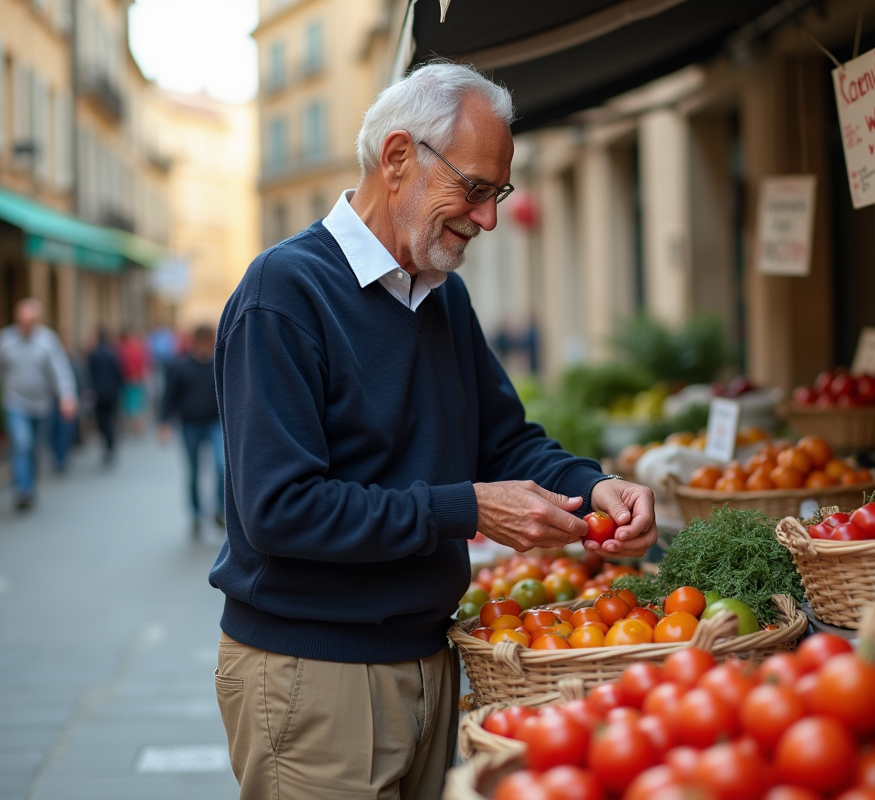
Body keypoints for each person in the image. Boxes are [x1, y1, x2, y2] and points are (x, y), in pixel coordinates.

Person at [211, 62, 658, 800]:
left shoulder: (440, 297)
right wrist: (471, 508)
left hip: (431, 662)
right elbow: (280, 510)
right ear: (396, 160)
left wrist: (593, 484)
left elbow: (505, 440)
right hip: (314, 678)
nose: (487, 218)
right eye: (475, 189)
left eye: (497, 194)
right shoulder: (283, 293)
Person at [0, 299, 77, 510]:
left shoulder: (48, 340)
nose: (26, 324)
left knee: (35, 449)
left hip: (41, 405)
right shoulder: (3, 340)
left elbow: (61, 371)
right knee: (22, 443)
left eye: (31, 320)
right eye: (23, 320)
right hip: (14, 402)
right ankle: (23, 490)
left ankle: (29, 483)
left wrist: (67, 396)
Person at [158, 325, 223, 539]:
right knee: (193, 470)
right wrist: (164, 423)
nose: (205, 348)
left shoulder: (219, 363)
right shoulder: (181, 366)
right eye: (201, 343)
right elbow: (169, 396)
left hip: (215, 424)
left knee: (222, 467)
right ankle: (195, 514)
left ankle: (220, 510)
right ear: (194, 343)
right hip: (190, 425)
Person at [87, 327, 123, 467]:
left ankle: (107, 446)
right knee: (110, 420)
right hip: (111, 393)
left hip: (99, 394)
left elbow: (90, 375)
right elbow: (118, 374)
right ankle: (110, 445)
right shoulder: (111, 354)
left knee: (103, 422)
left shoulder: (94, 354)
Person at [117, 329, 149, 435]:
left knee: (132, 404)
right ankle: (137, 425)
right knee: (136, 403)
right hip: (136, 378)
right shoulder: (137, 348)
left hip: (129, 379)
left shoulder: (125, 350)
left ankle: (136, 426)